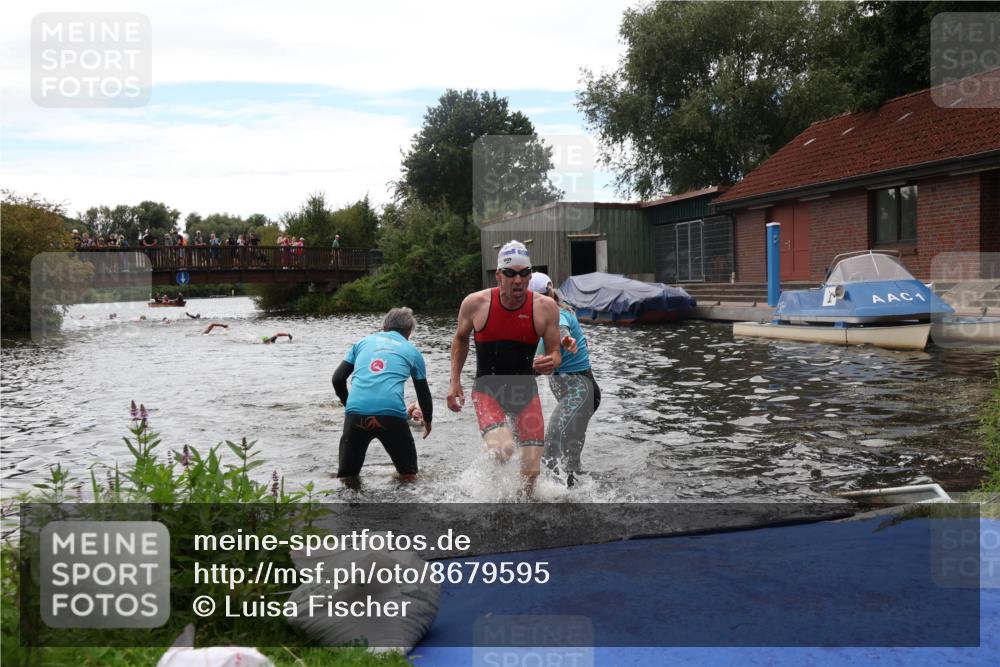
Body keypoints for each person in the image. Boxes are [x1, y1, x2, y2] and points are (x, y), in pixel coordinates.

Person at [447, 240, 563, 497]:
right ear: (499, 275)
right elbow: (460, 338)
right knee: (504, 449)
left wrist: (551, 361)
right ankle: (491, 487)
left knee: (532, 471)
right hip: (488, 390)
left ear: (530, 275)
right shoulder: (476, 304)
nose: (518, 280)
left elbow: (556, 353)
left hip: (525, 393)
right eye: (511, 273)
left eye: (524, 273)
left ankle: (523, 511)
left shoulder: (545, 308)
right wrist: (455, 381)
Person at [331, 307, 433, 486]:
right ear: (409, 332)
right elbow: (423, 392)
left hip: (356, 415)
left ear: (384, 326)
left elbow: (338, 379)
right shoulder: (412, 351)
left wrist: (349, 405)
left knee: (347, 477)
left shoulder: (362, 343)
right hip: (391, 416)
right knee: (408, 475)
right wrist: (428, 421)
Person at [528, 273, 601, 487]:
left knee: (551, 445)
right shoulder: (541, 319)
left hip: (580, 390)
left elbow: (562, 333)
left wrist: (567, 341)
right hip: (580, 392)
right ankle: (574, 498)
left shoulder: (557, 316)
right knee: (570, 457)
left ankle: (547, 496)